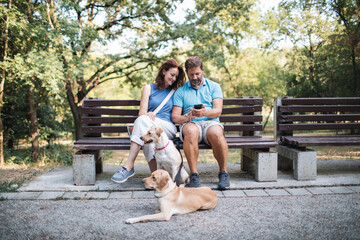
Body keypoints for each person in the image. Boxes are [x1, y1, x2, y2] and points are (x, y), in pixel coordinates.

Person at [111, 59, 185, 183]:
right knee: (147, 136)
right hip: (149, 127)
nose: (173, 79)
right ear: (163, 71)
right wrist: (147, 114)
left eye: (176, 77)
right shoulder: (148, 88)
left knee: (143, 123)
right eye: (172, 75)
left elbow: (176, 116)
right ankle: (156, 176)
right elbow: (142, 114)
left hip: (166, 128)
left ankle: (129, 166)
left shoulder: (176, 92)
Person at [171, 56, 230, 190]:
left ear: (202, 70)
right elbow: (175, 117)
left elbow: (217, 111)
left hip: (211, 122)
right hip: (191, 123)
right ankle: (194, 174)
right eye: (191, 74)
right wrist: (187, 117)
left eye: (197, 73)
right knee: (191, 131)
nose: (195, 77)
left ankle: (223, 172)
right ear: (187, 73)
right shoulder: (181, 91)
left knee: (216, 133)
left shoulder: (214, 86)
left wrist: (204, 113)